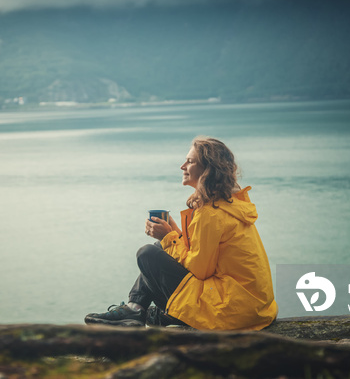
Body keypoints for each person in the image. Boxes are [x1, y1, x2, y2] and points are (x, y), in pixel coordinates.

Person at [84, 136, 278, 330]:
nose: (182, 166)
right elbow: (202, 257)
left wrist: (168, 237)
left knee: (148, 254)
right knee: (160, 249)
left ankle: (136, 309)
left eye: (190, 161)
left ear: (207, 170)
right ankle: (136, 308)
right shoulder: (228, 205)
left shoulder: (211, 214)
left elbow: (200, 271)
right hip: (251, 307)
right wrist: (175, 233)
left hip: (231, 311)